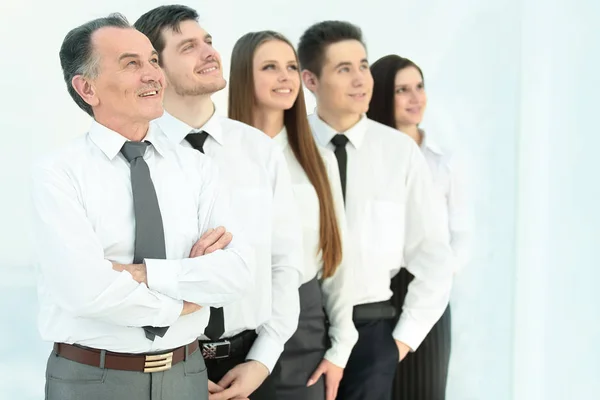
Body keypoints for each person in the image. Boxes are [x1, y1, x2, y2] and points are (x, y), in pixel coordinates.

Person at [33, 13, 253, 400]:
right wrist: (188, 297)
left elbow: (235, 273)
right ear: (87, 88)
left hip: (186, 375)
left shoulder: (198, 168)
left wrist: (141, 273)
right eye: (131, 64)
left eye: (152, 60)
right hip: (91, 379)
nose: (152, 74)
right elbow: (86, 291)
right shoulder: (59, 173)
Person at [134, 6, 303, 400]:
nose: (209, 52)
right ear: (155, 67)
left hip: (256, 363)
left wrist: (263, 359)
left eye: (207, 41)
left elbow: (285, 261)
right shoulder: (136, 157)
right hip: (164, 364)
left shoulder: (260, 150)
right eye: (188, 46)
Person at [297, 20, 454, 400]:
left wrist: (398, 343)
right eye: (343, 69)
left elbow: (434, 256)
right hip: (300, 328)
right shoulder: (285, 150)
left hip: (372, 328)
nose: (360, 80)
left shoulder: (400, 153)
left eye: (364, 66)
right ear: (310, 80)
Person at [228, 30, 358, 400]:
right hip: (229, 326)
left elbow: (337, 257)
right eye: (270, 67)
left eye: (291, 67)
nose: (286, 77)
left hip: (302, 329)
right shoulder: (216, 154)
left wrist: (341, 347)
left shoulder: (318, 159)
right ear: (242, 76)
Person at [368, 54, 473, 400]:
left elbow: (462, 235)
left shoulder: (444, 161)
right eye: (402, 90)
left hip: (429, 292)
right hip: (374, 291)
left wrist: (438, 276)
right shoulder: (367, 155)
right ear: (383, 95)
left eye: (419, 87)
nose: (416, 98)